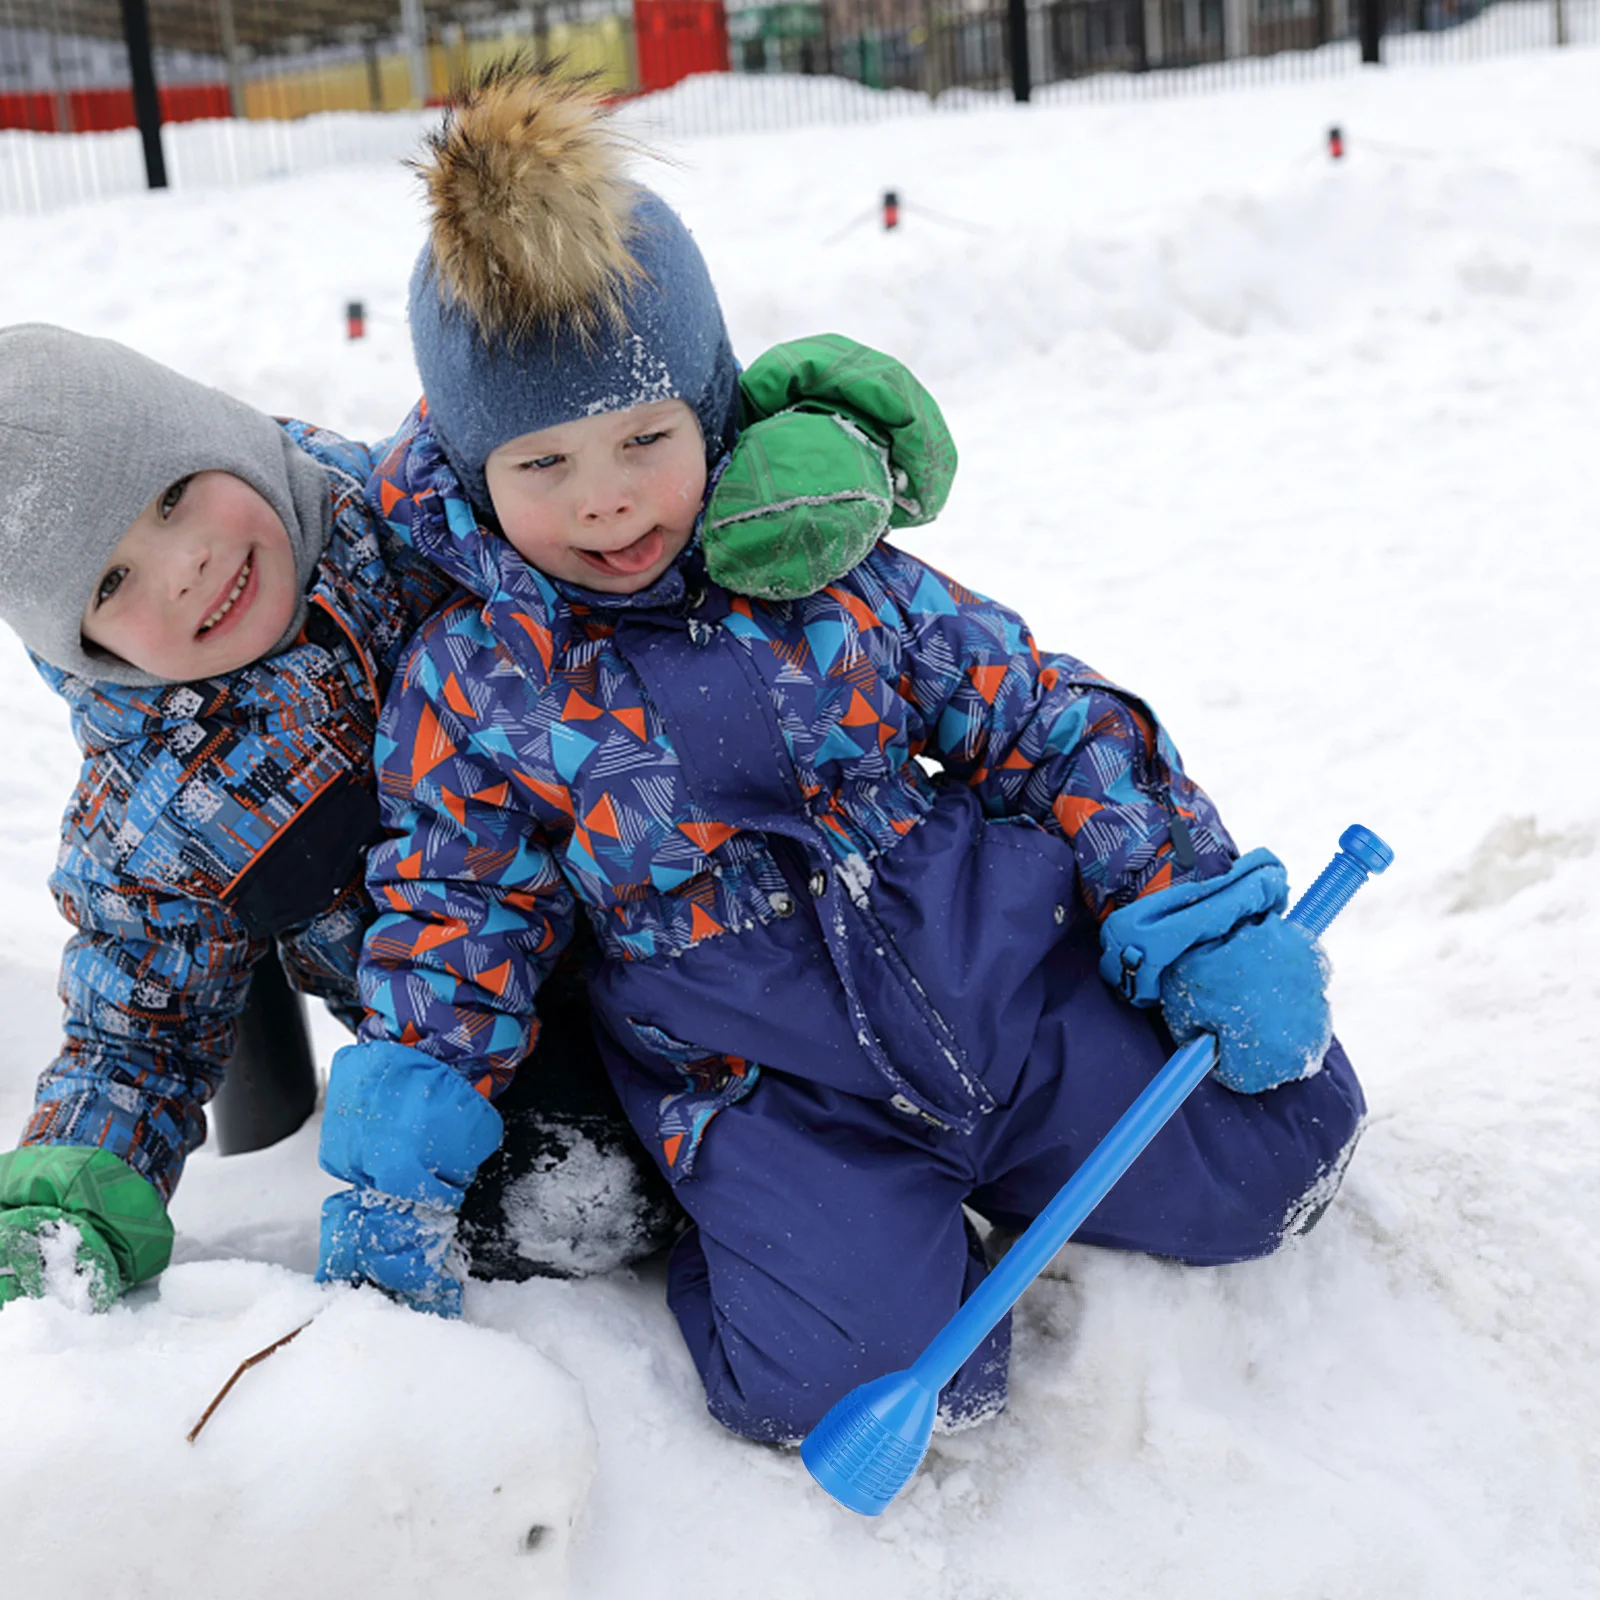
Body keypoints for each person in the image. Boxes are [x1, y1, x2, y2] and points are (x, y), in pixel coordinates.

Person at [319, 63, 1365, 1440]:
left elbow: (1040, 714)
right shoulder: (478, 681)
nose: (608, 495)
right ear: (469, 469)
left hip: (1001, 986)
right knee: (860, 1387)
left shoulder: (826, 569)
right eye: (542, 465)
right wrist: (399, 1162)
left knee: (1284, 1152)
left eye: (644, 437)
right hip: (764, 1091)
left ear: (709, 410)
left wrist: (1190, 907)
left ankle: (1013, 1165)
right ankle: (777, 1245)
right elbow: (461, 911)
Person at [0, 313, 950, 1312]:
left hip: (711, 910)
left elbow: (596, 432)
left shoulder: (424, 510)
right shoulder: (154, 822)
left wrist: (806, 425)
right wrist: (68, 1207)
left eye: (171, 496)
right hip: (484, 1061)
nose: (181, 564)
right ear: (81, 644)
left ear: (227, 436)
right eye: (112, 581)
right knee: (574, 1194)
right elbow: (136, 1030)